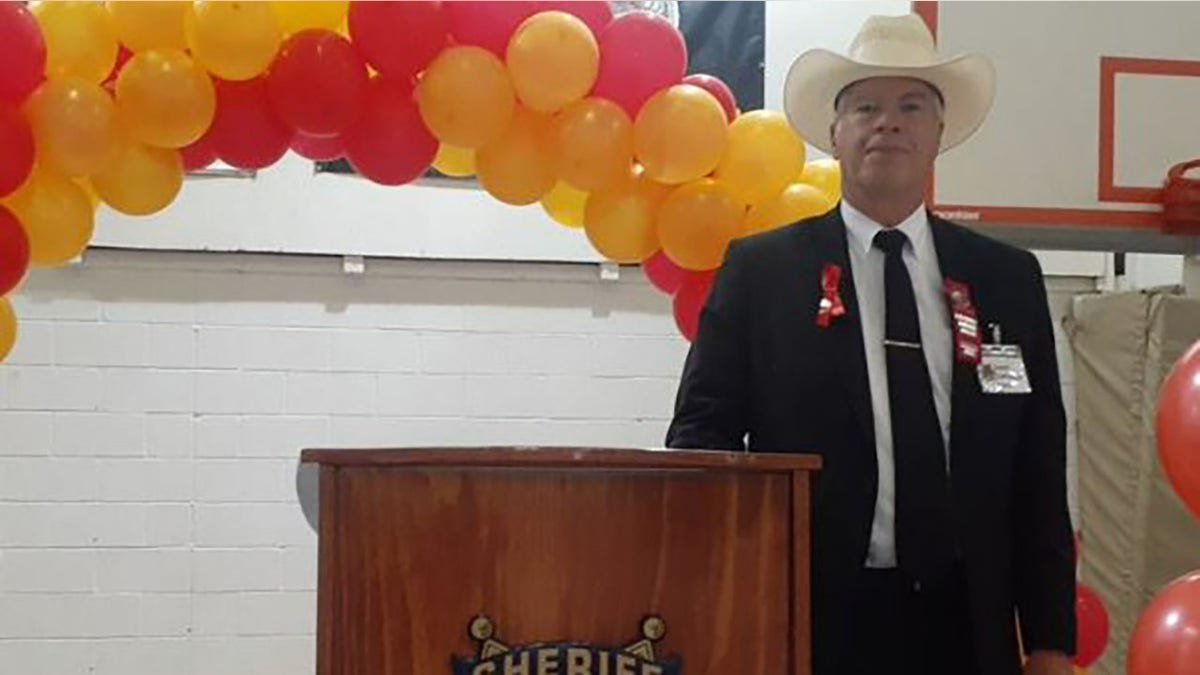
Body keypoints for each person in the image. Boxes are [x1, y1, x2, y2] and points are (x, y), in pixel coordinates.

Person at [666, 14, 1075, 675]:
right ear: (835, 132)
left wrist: (1052, 640)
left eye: (911, 105)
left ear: (939, 134)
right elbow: (700, 441)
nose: (888, 122)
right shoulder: (761, 274)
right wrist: (722, 600)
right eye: (866, 106)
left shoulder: (1007, 280)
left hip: (969, 623)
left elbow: (1037, 467)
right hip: (812, 620)